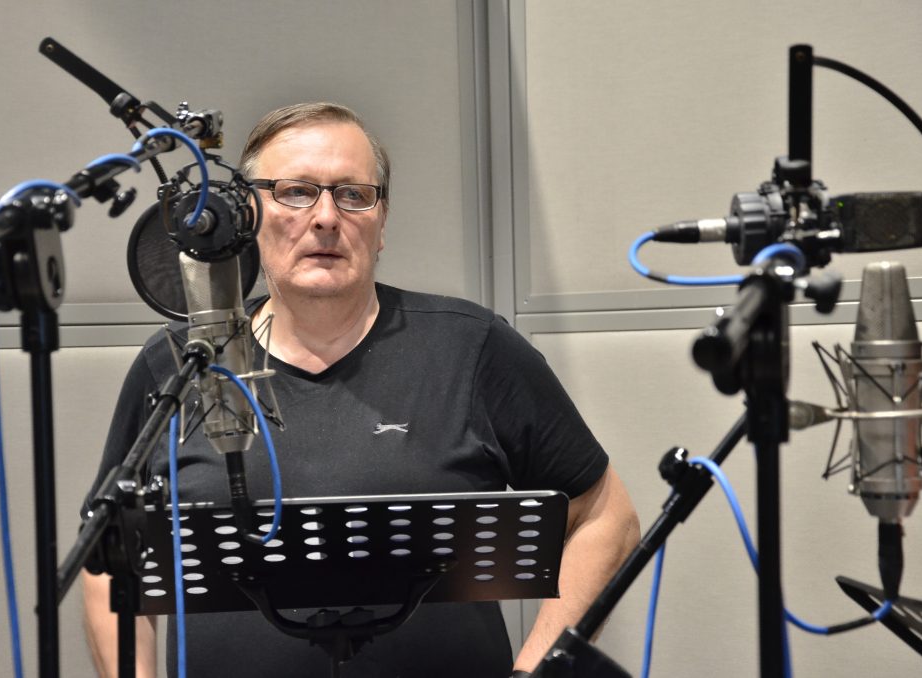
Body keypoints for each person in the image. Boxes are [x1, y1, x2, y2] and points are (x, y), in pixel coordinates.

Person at [82, 102, 640, 677]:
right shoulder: (180, 364)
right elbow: (107, 557)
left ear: (382, 223)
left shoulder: (471, 349)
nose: (326, 217)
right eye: (296, 192)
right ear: (247, 215)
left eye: (353, 194)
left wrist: (538, 673)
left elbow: (605, 517)